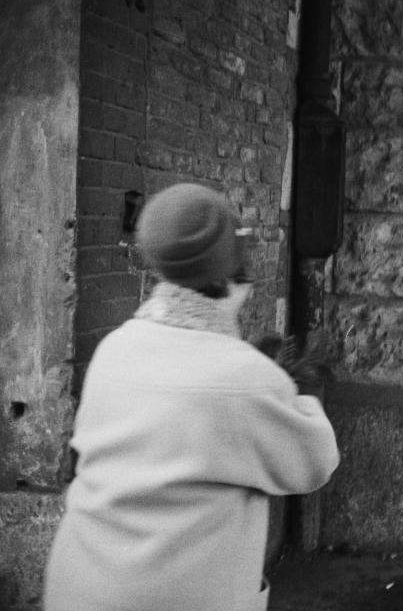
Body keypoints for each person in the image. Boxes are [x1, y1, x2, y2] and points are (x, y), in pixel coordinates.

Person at [44, 183, 341, 611]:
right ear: (229, 275)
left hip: (82, 585)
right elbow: (314, 463)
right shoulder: (246, 376)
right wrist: (304, 394)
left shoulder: (115, 348)